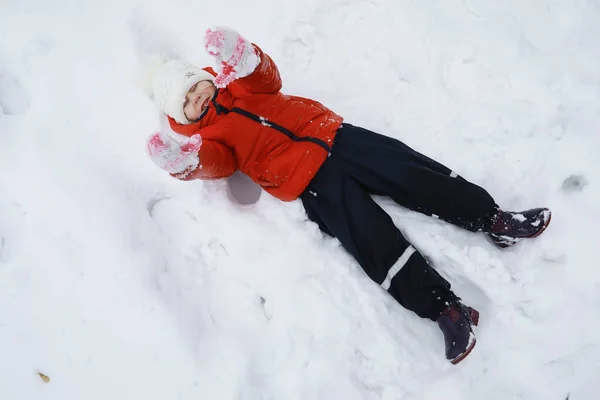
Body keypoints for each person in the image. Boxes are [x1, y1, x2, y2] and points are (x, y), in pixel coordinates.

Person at [139, 26, 551, 364]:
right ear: (183, 117)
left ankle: (493, 219)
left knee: (414, 175)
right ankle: (446, 311)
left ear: (206, 76)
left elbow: (267, 77)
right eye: (188, 103)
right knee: (372, 240)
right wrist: (183, 162)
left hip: (335, 136)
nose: (198, 98)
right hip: (308, 182)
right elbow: (216, 163)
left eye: (196, 86)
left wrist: (244, 54)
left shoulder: (242, 88)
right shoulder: (210, 139)